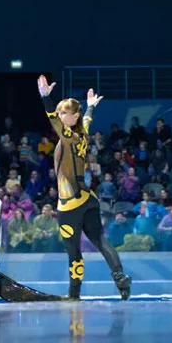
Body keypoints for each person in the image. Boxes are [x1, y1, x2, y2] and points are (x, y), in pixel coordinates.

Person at [37, 75, 132, 300]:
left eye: (64, 113)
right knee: (100, 240)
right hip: (88, 198)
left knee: (73, 252)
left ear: (73, 117)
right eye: (60, 112)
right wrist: (90, 106)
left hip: (70, 203)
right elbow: (87, 120)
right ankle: (120, 278)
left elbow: (52, 119)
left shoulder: (68, 137)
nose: (60, 116)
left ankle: (74, 294)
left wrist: (45, 97)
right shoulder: (82, 134)